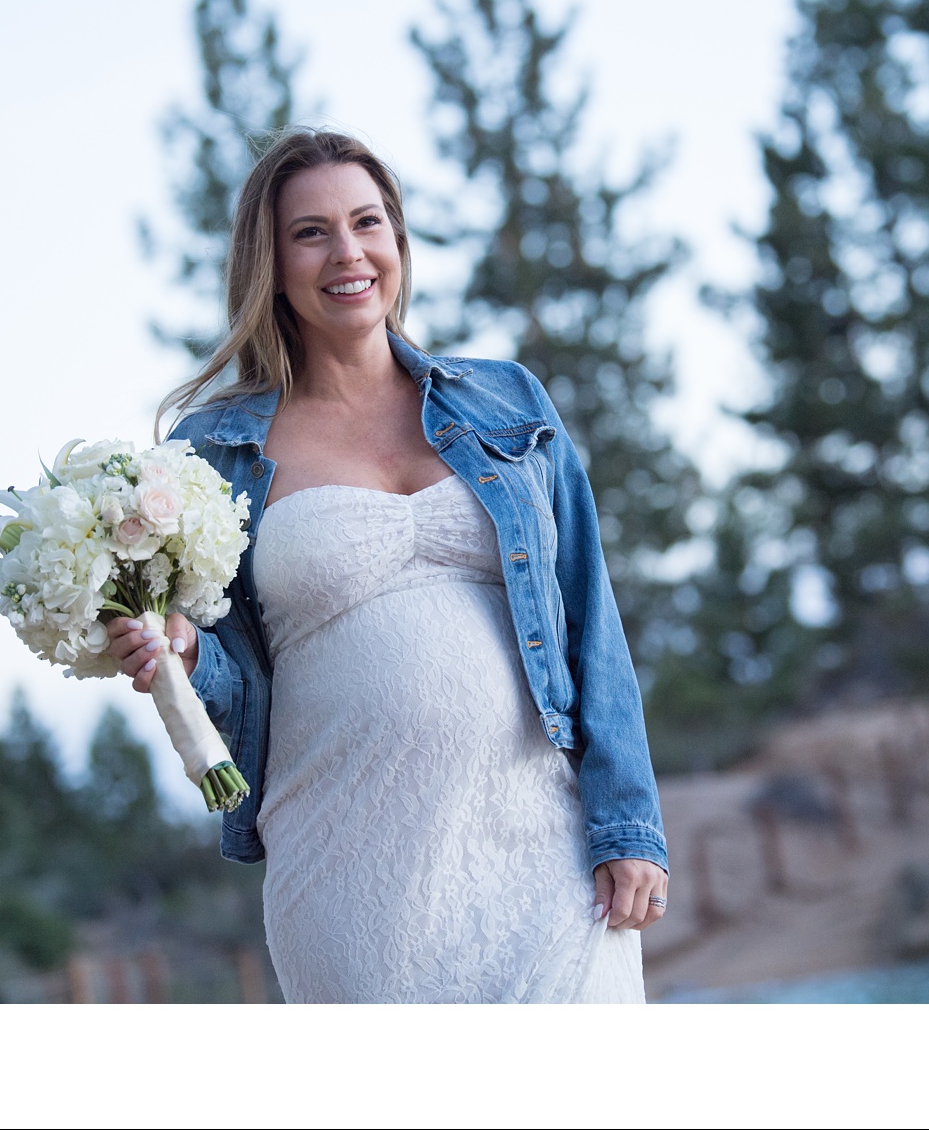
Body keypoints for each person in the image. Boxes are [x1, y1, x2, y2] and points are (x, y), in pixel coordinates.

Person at [108, 128, 669, 1003]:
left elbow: (588, 615)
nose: (348, 252)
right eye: (311, 232)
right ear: (272, 264)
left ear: (398, 240)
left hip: (544, 851)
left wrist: (628, 822)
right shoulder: (208, 453)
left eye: (367, 222)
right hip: (350, 870)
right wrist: (178, 652)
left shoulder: (506, 400)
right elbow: (226, 671)